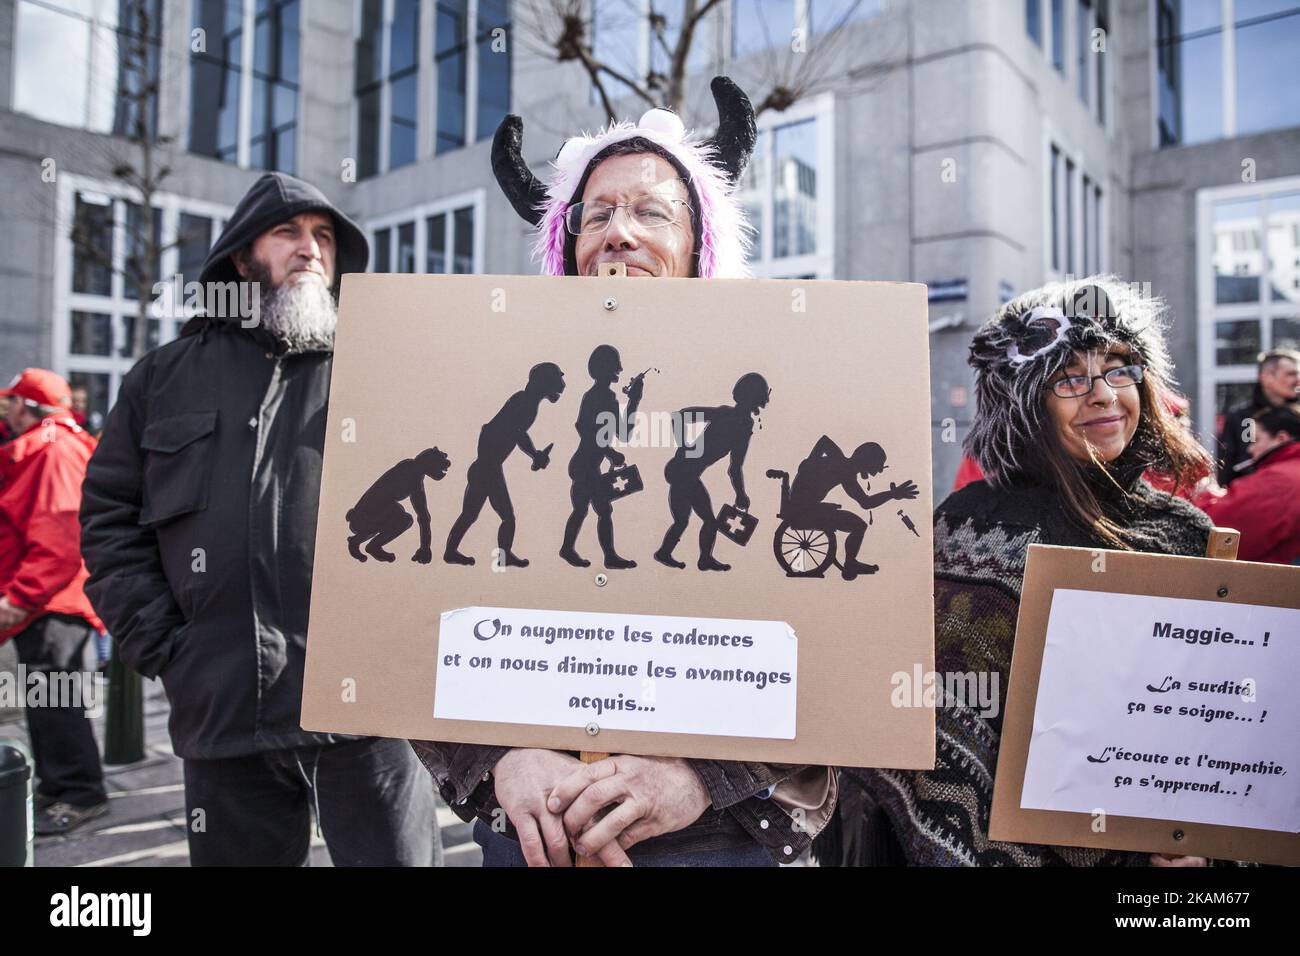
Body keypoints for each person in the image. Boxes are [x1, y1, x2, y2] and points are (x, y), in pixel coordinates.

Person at [411, 77, 835, 867]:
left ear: (698, 242)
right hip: (534, 832)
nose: (619, 233)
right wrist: (498, 761)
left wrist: (707, 775)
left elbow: (845, 646)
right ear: (566, 244)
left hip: (723, 841)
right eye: (597, 212)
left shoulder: (800, 381)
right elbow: (410, 611)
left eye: (650, 211)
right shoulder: (481, 379)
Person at [80, 172, 438, 866]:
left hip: (367, 715)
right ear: (243, 259)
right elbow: (107, 520)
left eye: (325, 236)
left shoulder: (384, 367)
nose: (311, 249)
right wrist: (165, 648)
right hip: (222, 709)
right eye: (289, 233)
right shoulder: (162, 378)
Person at [828, 276, 1221, 866]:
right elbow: (918, 720)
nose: (1102, 395)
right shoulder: (967, 523)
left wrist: (1199, 843)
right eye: (1068, 379)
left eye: (1118, 369)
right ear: (1024, 402)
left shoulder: (1187, 535)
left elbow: (1208, 717)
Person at [0, 368, 107, 834]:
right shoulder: (60, 444)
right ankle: (59, 783)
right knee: (48, 702)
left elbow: (61, 540)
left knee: (58, 701)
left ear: (28, 407)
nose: (9, 413)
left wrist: (19, 598)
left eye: (13, 403)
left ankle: (81, 792)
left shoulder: (52, 449)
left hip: (52, 601)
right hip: (50, 600)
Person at [444, 363, 566, 567]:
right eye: (556, 380)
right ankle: (502, 555)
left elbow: (509, 432)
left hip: (486, 466)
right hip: (488, 467)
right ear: (544, 382)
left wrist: (533, 455)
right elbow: (511, 432)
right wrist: (534, 454)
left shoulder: (527, 401)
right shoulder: (524, 402)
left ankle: (453, 552)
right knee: (506, 517)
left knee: (471, 514)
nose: (561, 385)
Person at [654, 372, 770, 573]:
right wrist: (684, 446)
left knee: (686, 520)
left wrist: (740, 493)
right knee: (705, 520)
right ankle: (700, 558)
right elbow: (680, 416)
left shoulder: (744, 425)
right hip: (683, 471)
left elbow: (735, 467)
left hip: (687, 473)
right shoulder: (725, 414)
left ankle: (673, 553)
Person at [786, 436, 919, 579]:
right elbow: (824, 441)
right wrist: (811, 462)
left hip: (806, 505)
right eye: (876, 466)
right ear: (866, 461)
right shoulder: (841, 465)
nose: (877, 472)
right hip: (804, 508)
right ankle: (850, 563)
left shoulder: (846, 473)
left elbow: (865, 502)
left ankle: (850, 563)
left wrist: (892, 494)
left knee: (858, 524)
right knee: (858, 525)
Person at [560, 345, 643, 569]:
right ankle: (597, 554)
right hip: (584, 464)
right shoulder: (595, 396)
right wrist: (609, 451)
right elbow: (583, 428)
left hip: (589, 465)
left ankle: (581, 551)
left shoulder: (609, 397)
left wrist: (635, 400)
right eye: (615, 366)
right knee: (595, 509)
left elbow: (623, 433)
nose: (620, 369)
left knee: (590, 509)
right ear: (604, 368)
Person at [1196, 402, 1300, 564]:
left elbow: (1214, 529)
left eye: (1256, 440)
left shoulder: (1280, 481)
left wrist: (1203, 495)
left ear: (1281, 438)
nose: (1250, 449)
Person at [1215, 348, 1300, 486]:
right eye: (1291, 374)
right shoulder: (1243, 419)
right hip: (1255, 497)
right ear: (1266, 378)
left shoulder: (1297, 415)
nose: (1298, 380)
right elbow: (1231, 468)